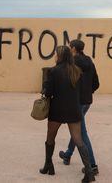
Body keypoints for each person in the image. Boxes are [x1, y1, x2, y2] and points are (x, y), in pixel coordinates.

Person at [40, 46, 95, 183]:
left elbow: (48, 92)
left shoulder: (53, 71)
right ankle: (89, 173)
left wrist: (45, 89)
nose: (54, 56)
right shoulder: (77, 71)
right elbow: (83, 91)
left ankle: (48, 165)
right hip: (73, 110)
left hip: (57, 110)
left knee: (50, 138)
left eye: (56, 54)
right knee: (78, 140)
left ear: (59, 56)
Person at [59, 39, 100, 176]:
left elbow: (65, 82)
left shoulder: (71, 63)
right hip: (87, 102)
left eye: (70, 47)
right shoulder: (89, 61)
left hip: (76, 102)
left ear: (74, 49)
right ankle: (68, 154)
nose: (70, 50)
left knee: (82, 133)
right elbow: (96, 83)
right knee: (77, 127)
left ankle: (93, 166)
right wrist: (88, 92)